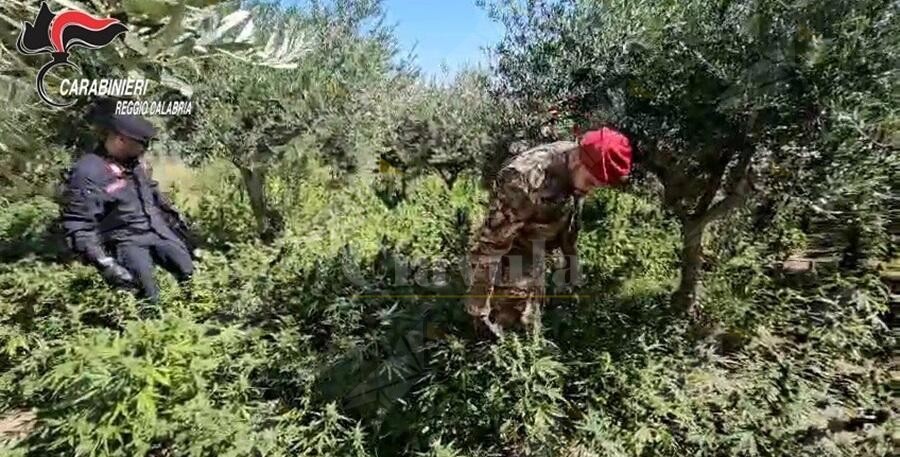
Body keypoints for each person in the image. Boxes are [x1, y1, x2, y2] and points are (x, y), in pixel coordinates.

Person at [466, 127, 633, 338]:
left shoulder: (580, 163)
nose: (591, 190)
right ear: (576, 161)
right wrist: (479, 307)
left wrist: (570, 265)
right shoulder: (523, 180)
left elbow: (570, 215)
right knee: (508, 326)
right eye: (591, 183)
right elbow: (491, 245)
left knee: (531, 314)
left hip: (537, 249)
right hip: (513, 249)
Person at [61, 114, 194, 307]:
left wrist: (182, 232)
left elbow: (154, 198)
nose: (145, 150)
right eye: (141, 144)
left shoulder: (135, 163)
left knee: (192, 278)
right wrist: (105, 264)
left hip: (158, 231)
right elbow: (78, 225)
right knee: (149, 300)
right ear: (121, 140)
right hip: (127, 241)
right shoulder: (88, 172)